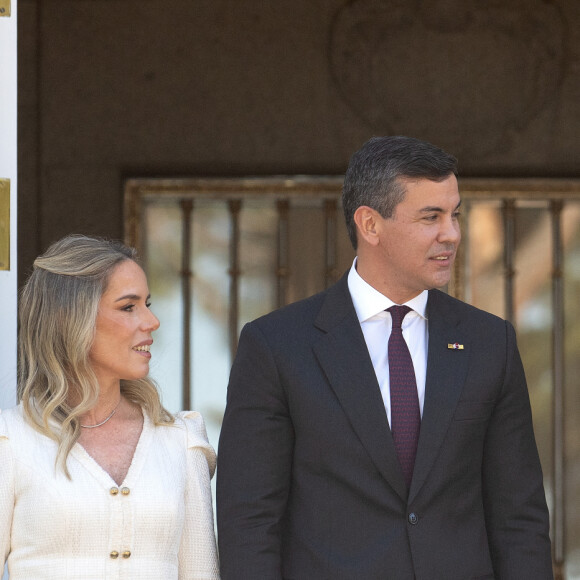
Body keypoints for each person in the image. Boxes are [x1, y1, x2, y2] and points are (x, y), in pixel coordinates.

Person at [216, 136, 553, 579]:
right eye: (430, 217)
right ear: (370, 225)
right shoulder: (276, 346)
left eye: (454, 215)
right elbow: (250, 522)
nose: (451, 233)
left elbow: (520, 519)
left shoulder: (491, 342)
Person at [0, 234, 220, 579]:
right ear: (68, 318)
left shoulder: (180, 441)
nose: (151, 321)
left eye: (148, 303)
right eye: (128, 306)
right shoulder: (10, 442)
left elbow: (201, 573)